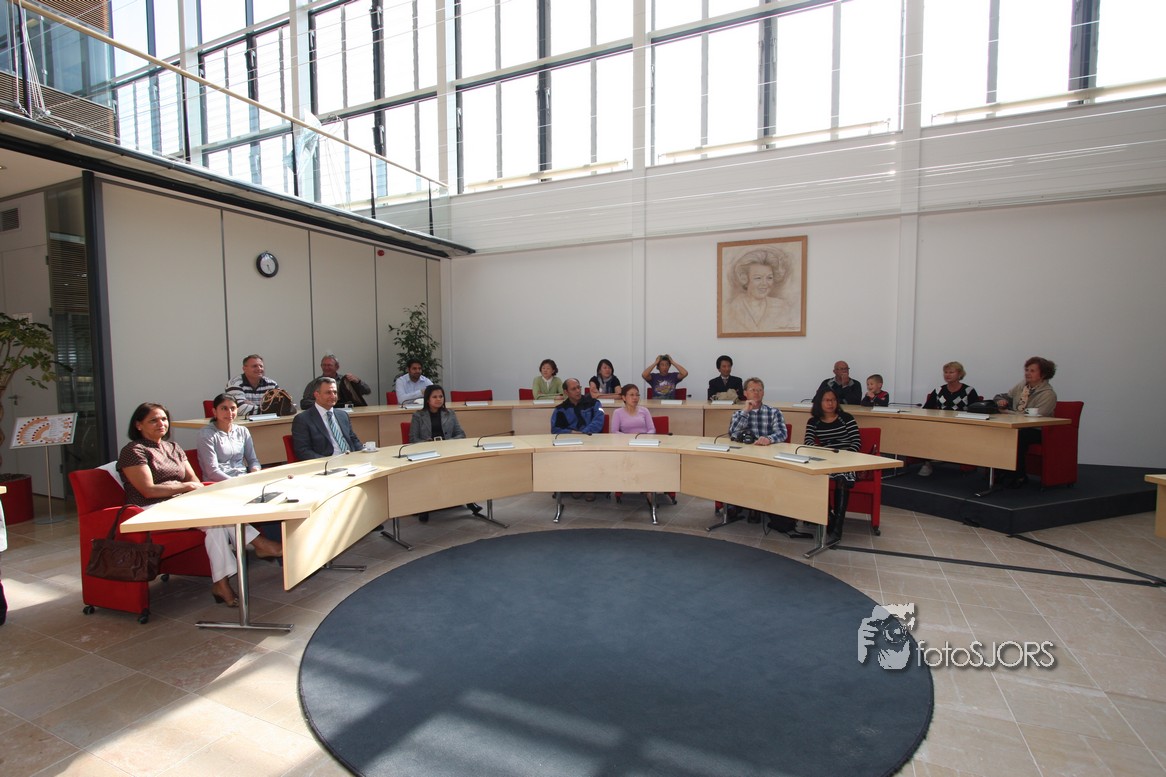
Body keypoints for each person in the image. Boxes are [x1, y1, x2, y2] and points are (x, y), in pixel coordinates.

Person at [118, 402, 281, 606]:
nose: (161, 424)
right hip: (151, 509)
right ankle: (260, 544)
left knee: (215, 525)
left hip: (181, 504)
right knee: (216, 517)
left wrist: (190, 489)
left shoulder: (173, 447)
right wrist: (184, 487)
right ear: (138, 425)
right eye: (153, 420)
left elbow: (194, 480)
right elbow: (148, 490)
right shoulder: (134, 450)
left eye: (164, 419)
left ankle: (221, 584)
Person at [408, 384, 484, 522]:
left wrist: (447, 442)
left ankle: (469, 501)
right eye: (435, 397)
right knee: (428, 475)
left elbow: (461, 434)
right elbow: (413, 439)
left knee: (462, 471)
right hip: (428, 453)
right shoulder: (418, 416)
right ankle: (424, 507)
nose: (439, 399)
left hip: (448, 451)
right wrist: (427, 443)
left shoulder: (450, 413)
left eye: (441, 396)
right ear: (427, 399)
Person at [726, 377, 789, 525]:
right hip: (743, 456)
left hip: (765, 457)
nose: (756, 393)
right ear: (745, 393)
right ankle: (736, 502)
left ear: (763, 393)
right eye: (753, 390)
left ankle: (755, 506)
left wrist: (768, 439)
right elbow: (732, 434)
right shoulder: (738, 414)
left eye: (759, 390)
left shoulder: (774, 412)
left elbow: (782, 433)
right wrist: (746, 412)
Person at [804, 388, 861, 545]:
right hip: (826, 458)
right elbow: (808, 443)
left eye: (833, 400)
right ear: (819, 402)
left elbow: (856, 442)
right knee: (815, 476)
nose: (831, 403)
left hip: (846, 459)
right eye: (826, 400)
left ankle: (837, 528)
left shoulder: (846, 418)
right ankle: (828, 517)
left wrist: (845, 457)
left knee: (843, 477)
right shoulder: (813, 421)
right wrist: (823, 453)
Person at [993, 356, 1058, 488]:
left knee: (1019, 436)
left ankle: (1019, 475)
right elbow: (1003, 396)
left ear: (1043, 374)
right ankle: (999, 472)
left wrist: (1008, 413)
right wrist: (1000, 401)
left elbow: (1037, 417)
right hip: (1019, 426)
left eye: (1032, 371)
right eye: (1027, 370)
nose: (1027, 373)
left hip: (1038, 430)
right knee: (998, 432)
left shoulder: (1048, 394)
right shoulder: (1022, 386)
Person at [919, 361, 981, 476]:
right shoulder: (938, 390)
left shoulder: (969, 391)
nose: (947, 375)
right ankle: (927, 463)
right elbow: (926, 408)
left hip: (962, 425)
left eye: (951, 372)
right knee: (924, 432)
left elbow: (976, 410)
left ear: (960, 374)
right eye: (946, 372)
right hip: (940, 424)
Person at [721, 247, 800, 332]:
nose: (764, 283)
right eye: (758, 278)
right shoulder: (729, 309)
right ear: (744, 278)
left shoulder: (783, 307)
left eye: (769, 278)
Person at [552, 378, 605, 501]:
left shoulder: (594, 403)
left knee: (590, 454)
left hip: (591, 438)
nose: (577, 391)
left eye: (578, 387)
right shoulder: (560, 409)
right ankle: (577, 484)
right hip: (571, 441)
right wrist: (571, 433)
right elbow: (555, 429)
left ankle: (590, 487)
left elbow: (599, 421)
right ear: (566, 392)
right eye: (573, 389)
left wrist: (583, 433)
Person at [292, 377, 362, 460]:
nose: (333, 396)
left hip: (351, 460)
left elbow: (353, 440)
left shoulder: (343, 415)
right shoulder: (303, 419)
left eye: (335, 392)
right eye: (328, 392)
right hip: (327, 462)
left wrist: (363, 453)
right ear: (317, 395)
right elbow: (303, 451)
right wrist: (327, 462)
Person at [197, 394, 261, 481]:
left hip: (242, 478)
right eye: (224, 408)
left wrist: (255, 472)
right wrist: (236, 482)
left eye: (233, 408)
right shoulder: (206, 434)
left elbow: (253, 461)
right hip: (218, 482)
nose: (229, 412)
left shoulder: (242, 431)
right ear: (214, 411)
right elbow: (212, 472)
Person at [301, 354, 371, 409]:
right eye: (324, 365)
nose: (326, 368)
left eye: (329, 365)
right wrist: (325, 403)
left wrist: (358, 382)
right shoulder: (315, 383)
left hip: (350, 414)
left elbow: (367, 391)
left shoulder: (346, 381)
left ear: (337, 367)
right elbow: (304, 403)